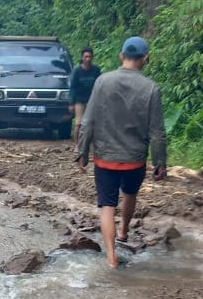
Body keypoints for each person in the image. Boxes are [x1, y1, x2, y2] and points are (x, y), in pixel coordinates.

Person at [77, 36, 167, 269]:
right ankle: (124, 231)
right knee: (129, 194)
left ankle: (111, 256)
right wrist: (160, 162)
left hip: (105, 157)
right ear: (146, 59)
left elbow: (89, 120)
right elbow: (157, 130)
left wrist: (83, 152)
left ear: (121, 56)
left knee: (107, 205)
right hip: (135, 160)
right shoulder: (151, 88)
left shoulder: (102, 82)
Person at [68, 46, 101, 152]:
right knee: (79, 123)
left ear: (93, 57)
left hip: (92, 99)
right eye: (86, 57)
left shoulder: (96, 70)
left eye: (90, 57)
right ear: (82, 57)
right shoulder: (77, 71)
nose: (88, 59)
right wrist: (71, 103)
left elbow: (99, 84)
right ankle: (77, 144)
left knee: (93, 123)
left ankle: (93, 144)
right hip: (79, 100)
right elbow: (73, 87)